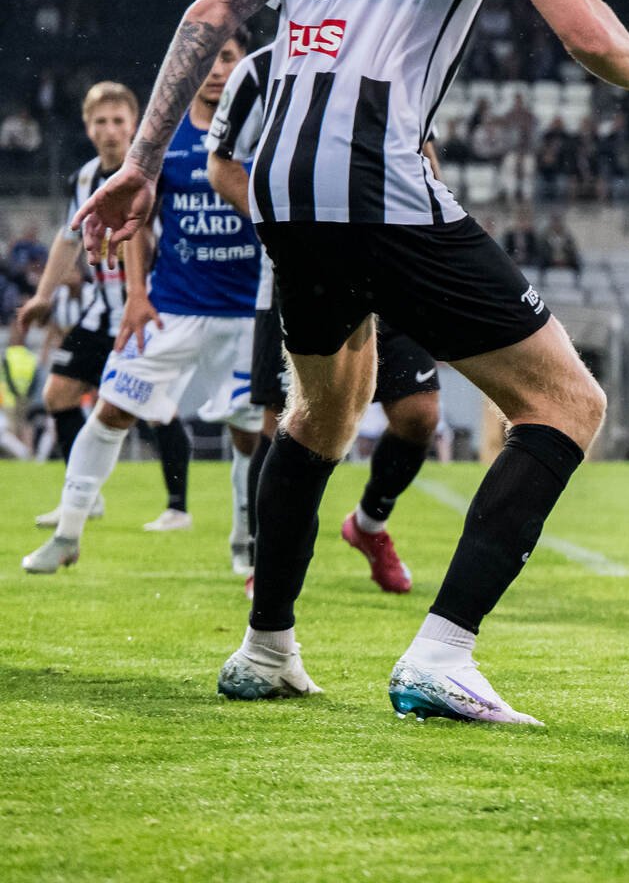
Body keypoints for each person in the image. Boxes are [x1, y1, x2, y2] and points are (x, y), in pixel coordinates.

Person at [73, 0, 629, 723]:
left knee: (320, 412)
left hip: (285, 175)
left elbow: (212, 8)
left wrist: (142, 155)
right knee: (566, 402)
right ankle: (444, 652)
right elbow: (585, 32)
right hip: (373, 167)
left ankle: (267, 646)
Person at [207, 42, 442, 597]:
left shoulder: (392, 58)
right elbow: (222, 164)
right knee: (284, 422)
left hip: (387, 264)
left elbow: (423, 149)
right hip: (297, 272)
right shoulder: (259, 70)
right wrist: (282, 225)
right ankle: (269, 560)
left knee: (419, 415)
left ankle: (369, 525)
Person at [26, 37, 264, 574]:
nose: (215, 70)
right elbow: (136, 217)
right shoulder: (165, 137)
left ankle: (245, 542)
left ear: (245, 64)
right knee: (110, 408)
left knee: (249, 435)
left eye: (227, 58)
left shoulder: (265, 127)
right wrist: (136, 295)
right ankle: (68, 532)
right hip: (172, 307)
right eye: (205, 59)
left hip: (248, 313)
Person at [13, 83, 194, 527]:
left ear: (135, 125)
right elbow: (68, 237)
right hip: (101, 311)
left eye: (118, 121)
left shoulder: (156, 174)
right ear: (87, 127)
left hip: (148, 311)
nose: (110, 130)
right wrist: (43, 295)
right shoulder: (85, 177)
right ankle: (86, 496)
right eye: (100, 121)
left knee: (152, 407)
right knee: (59, 395)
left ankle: (177, 508)